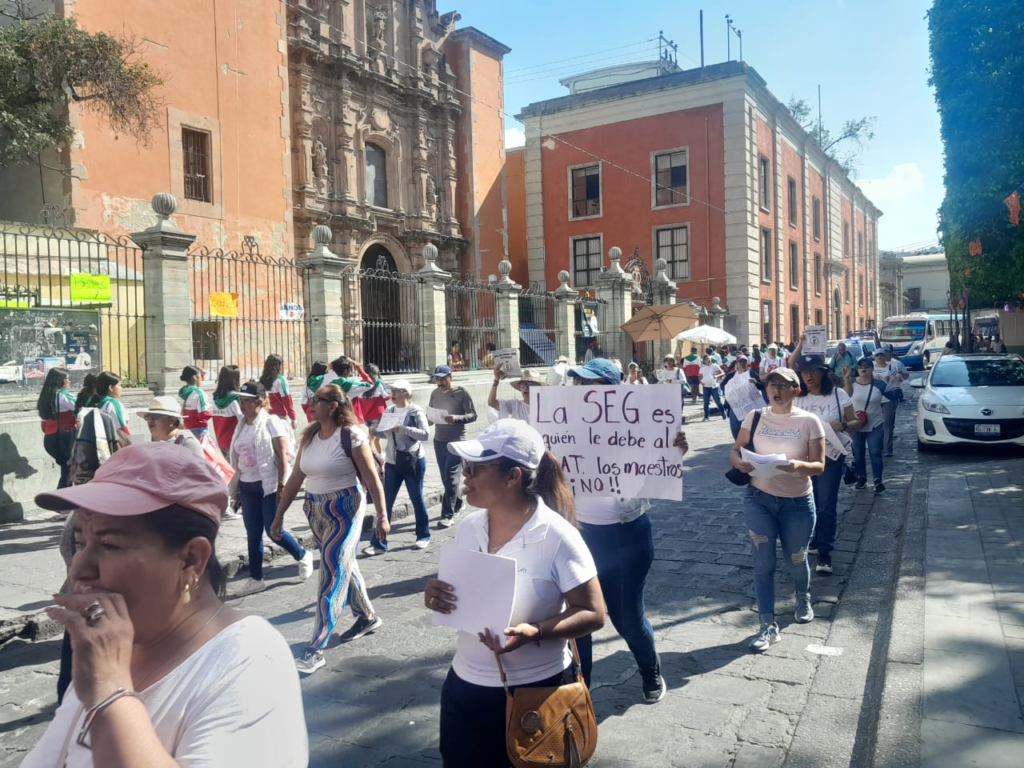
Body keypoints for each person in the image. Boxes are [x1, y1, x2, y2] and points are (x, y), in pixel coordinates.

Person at [25, 443, 308, 767]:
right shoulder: (112, 645)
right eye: (80, 542)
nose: (78, 569)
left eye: (109, 544)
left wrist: (109, 691)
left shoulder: (251, 659)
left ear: (190, 560)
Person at [423, 420, 606, 768]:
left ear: (513, 476)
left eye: (476, 467)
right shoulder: (469, 526)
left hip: (536, 694)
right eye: (465, 465)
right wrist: (437, 595)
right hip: (464, 685)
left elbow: (594, 612)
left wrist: (534, 632)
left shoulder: (558, 536)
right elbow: (469, 594)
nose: (465, 474)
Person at [566, 357, 690, 702]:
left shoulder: (639, 424)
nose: (586, 390)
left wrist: (674, 450)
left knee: (627, 618)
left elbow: (659, 471)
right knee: (579, 618)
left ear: (614, 389)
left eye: (593, 384)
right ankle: (580, 690)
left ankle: (650, 668)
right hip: (579, 535)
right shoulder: (566, 425)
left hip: (626, 535)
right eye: (582, 383)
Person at [272, 383, 388, 674]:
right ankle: (367, 616)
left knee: (331, 573)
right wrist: (279, 515)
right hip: (315, 510)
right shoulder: (310, 436)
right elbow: (296, 477)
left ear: (333, 405)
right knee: (343, 564)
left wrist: (382, 515)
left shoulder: (352, 435)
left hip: (346, 508)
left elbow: (372, 479)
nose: (311, 404)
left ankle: (316, 647)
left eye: (317, 400)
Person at [729, 367, 825, 652]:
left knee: (797, 559)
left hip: (797, 503)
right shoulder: (755, 416)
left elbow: (819, 466)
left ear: (796, 390)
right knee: (763, 564)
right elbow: (735, 450)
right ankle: (767, 624)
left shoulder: (810, 421)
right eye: (772, 384)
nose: (777, 389)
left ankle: (802, 596)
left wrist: (796, 466)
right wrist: (739, 462)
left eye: (784, 385)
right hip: (759, 499)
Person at [227, 381, 313, 597]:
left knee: (274, 531)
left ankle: (302, 554)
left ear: (260, 402)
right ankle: (256, 578)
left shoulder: (271, 422)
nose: (242, 405)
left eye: (247, 401)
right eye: (241, 400)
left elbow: (282, 455)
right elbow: (236, 457)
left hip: (269, 484)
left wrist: (282, 484)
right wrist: (236, 488)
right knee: (253, 533)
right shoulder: (240, 425)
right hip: (247, 484)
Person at [793, 354, 861, 576]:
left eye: (813, 371)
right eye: (804, 372)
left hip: (830, 458)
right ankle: (813, 540)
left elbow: (856, 423)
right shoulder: (797, 398)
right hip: (802, 459)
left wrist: (842, 425)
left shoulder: (838, 395)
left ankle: (825, 552)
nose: (808, 376)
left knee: (825, 506)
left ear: (823, 373)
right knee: (806, 503)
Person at [366, 379, 431, 553]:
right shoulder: (389, 411)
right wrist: (375, 431)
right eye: (392, 391)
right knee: (386, 501)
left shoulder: (415, 411)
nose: (392, 395)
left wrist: (402, 428)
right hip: (392, 462)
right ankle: (378, 543)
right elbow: (387, 434)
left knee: (416, 498)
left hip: (412, 460)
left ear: (406, 393)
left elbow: (425, 434)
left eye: (396, 391)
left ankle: (423, 535)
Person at [428, 364, 478, 528]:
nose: (440, 382)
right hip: (439, 440)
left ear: (450, 377)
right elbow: (431, 415)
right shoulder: (434, 393)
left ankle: (447, 516)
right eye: (437, 379)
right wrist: (426, 421)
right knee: (445, 478)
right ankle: (457, 503)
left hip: (457, 442)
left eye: (443, 379)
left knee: (450, 477)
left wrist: (457, 418)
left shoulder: (461, 393)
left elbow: (473, 415)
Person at [846, 356, 889, 493]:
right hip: (856, 423)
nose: (863, 368)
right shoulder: (851, 383)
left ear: (872, 368)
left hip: (875, 423)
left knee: (875, 452)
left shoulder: (880, 385)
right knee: (858, 453)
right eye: (860, 366)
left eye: (867, 366)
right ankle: (862, 478)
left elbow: (889, 400)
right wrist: (846, 379)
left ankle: (877, 480)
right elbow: (845, 397)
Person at [38, 367, 76, 488]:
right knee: (68, 472)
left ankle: (63, 496)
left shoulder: (46, 397)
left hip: (50, 438)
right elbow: (81, 406)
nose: (69, 381)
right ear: (59, 381)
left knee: (66, 470)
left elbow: (44, 424)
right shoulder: (63, 395)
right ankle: (62, 497)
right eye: (67, 379)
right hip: (64, 438)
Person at [139, 396, 204, 458]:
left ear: (172, 421)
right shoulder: (144, 442)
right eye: (148, 417)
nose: (150, 421)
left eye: (155, 416)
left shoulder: (187, 443)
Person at [722, 356, 765, 439]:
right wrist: (729, 391)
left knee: (752, 426)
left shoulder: (751, 373)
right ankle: (739, 443)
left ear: (747, 363)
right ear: (737, 364)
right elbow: (722, 385)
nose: (743, 364)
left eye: (744, 362)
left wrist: (755, 382)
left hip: (751, 405)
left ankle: (751, 442)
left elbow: (762, 386)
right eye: (740, 362)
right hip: (736, 406)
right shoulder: (731, 375)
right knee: (735, 427)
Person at [877, 346, 908, 456]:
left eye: (883, 354)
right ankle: (879, 445)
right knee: (878, 423)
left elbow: (904, 377)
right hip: (875, 399)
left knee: (887, 423)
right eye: (878, 355)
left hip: (890, 398)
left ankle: (887, 448)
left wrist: (900, 376)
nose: (880, 357)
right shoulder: (871, 366)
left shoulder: (896, 365)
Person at [210, 365, 242, 454]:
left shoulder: (215, 399)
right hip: (234, 441)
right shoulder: (235, 399)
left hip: (221, 441)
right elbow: (242, 419)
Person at [260, 353, 297, 430]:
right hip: (280, 417)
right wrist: (293, 418)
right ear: (279, 366)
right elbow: (287, 400)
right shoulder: (280, 380)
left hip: (265, 416)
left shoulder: (261, 380)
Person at [178, 365, 212, 441]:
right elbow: (203, 414)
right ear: (195, 377)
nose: (202, 378)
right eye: (200, 376)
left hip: (186, 429)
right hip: (199, 430)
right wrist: (214, 413)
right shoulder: (199, 393)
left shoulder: (181, 392)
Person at [95, 371, 129, 436]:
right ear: (111, 388)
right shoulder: (113, 403)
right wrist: (129, 440)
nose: (121, 388)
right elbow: (121, 427)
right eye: (119, 385)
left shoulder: (95, 402)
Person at [699, 354, 726, 421]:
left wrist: (717, 376)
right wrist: (701, 382)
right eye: (706, 359)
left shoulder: (714, 366)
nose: (708, 360)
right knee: (706, 403)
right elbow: (700, 377)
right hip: (706, 387)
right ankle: (706, 417)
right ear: (704, 361)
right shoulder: (702, 368)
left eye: (709, 359)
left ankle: (723, 413)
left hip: (714, 386)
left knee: (718, 401)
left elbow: (722, 373)